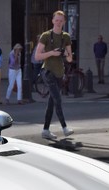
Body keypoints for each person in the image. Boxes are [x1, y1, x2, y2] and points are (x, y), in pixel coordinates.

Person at [35, 10, 74, 139]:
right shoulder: (45, 36)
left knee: (52, 102)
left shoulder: (66, 37)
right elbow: (37, 56)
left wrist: (64, 54)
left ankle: (45, 130)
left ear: (64, 22)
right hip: (47, 72)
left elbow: (70, 59)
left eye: (60, 21)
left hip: (59, 73)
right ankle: (64, 127)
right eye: (56, 20)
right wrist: (51, 53)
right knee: (58, 99)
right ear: (52, 21)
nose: (58, 23)